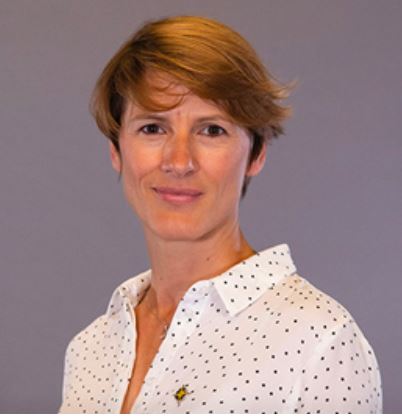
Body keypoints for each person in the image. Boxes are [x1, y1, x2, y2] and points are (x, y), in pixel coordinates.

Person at [59, 16, 382, 413]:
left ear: (256, 154)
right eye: (152, 128)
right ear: (116, 151)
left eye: (211, 130)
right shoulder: (91, 349)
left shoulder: (319, 344)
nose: (179, 161)